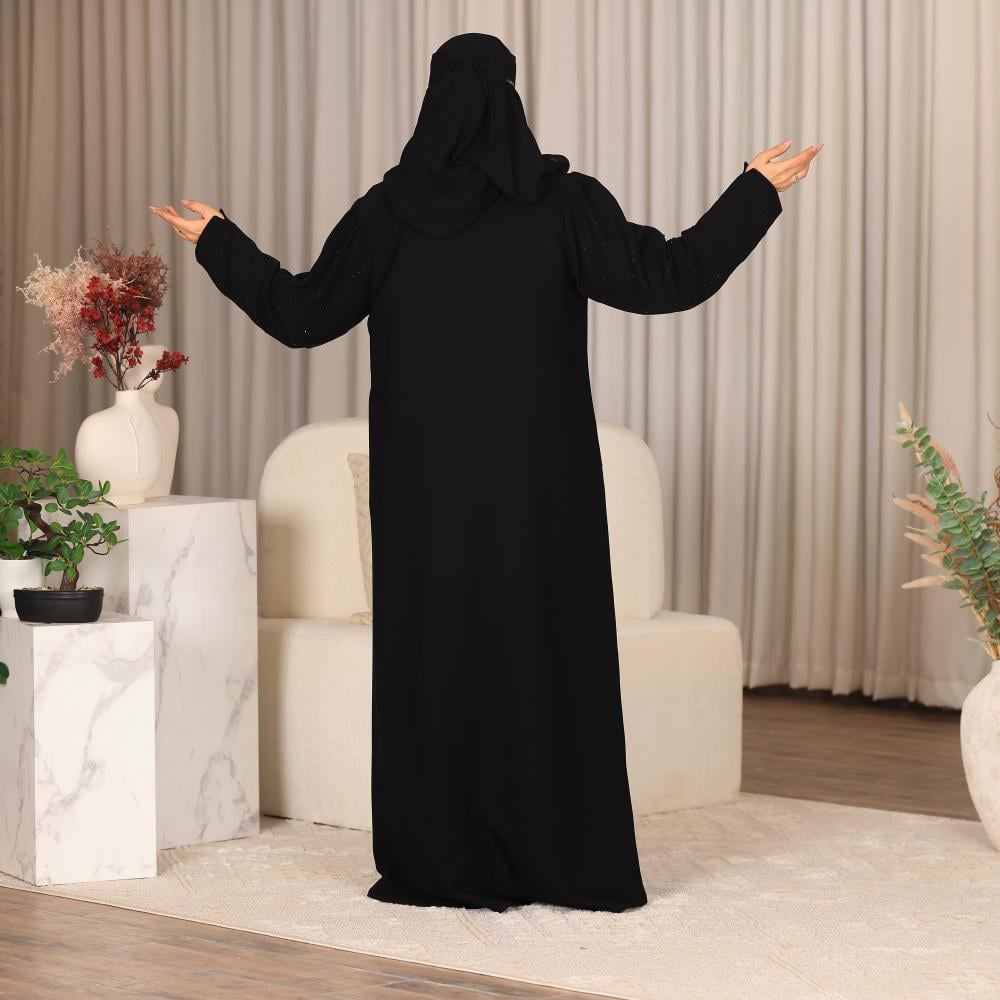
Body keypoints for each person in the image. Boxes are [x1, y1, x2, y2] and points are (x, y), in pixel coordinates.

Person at [151, 31, 821, 913]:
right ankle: (560, 860)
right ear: (511, 99)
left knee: (440, 659)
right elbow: (669, 277)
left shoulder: (388, 214)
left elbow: (302, 313)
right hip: (542, 491)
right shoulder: (564, 204)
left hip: (426, 494)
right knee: (543, 653)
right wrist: (755, 192)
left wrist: (220, 241)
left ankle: (441, 861)